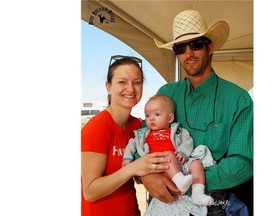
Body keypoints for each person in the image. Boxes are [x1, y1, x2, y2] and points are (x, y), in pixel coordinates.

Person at [141, 10, 253, 216]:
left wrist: (192, 181)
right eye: (180, 48)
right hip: (164, 198)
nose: (188, 53)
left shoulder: (238, 99)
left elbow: (244, 162)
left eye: (196, 44)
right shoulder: (167, 93)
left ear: (209, 48)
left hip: (213, 204)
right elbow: (144, 138)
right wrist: (147, 177)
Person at [81, 55, 171, 216]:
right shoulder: (96, 128)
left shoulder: (137, 126)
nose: (130, 88)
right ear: (108, 86)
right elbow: (90, 191)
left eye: (137, 82)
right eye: (122, 82)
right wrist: (132, 168)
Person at [122, 94, 215, 206]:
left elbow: (188, 141)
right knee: (168, 155)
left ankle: (198, 193)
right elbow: (132, 143)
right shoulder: (144, 134)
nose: (151, 118)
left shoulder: (177, 131)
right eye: (147, 115)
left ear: (170, 118)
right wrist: (127, 157)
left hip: (179, 163)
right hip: (159, 166)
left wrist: (182, 152)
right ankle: (180, 181)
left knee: (196, 164)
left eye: (157, 114)